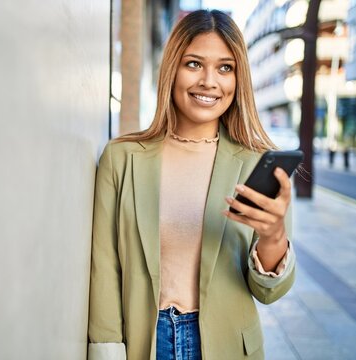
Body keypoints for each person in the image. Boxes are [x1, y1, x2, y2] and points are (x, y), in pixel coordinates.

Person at [87, 9, 295, 360]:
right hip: (146, 342)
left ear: (238, 78)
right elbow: (105, 267)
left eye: (225, 68)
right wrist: (106, 350)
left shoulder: (256, 163)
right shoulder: (121, 158)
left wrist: (274, 237)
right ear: (172, 69)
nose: (209, 81)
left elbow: (268, 292)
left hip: (227, 347)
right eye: (194, 64)